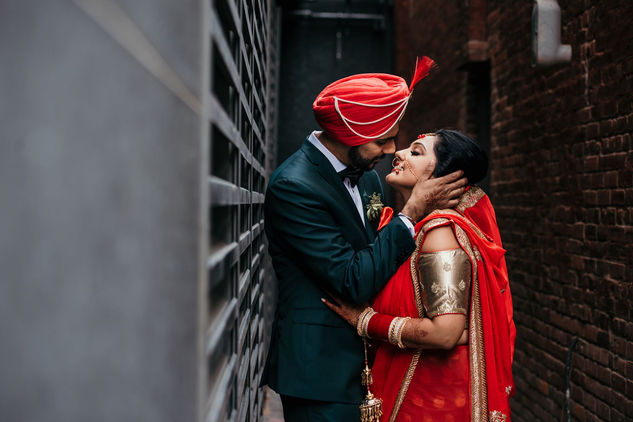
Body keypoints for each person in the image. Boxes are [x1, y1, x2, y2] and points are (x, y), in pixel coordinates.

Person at [263, 59, 468, 421]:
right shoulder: (293, 187)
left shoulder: (370, 179)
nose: (391, 150)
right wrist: (410, 213)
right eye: (382, 140)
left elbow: (383, 261)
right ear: (350, 136)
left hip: (374, 363)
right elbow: (352, 279)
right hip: (320, 373)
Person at [323, 130, 516, 421]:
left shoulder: (438, 234)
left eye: (415, 152)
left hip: (429, 397)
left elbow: (445, 333)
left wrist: (365, 320)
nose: (398, 153)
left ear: (443, 177)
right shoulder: (412, 230)